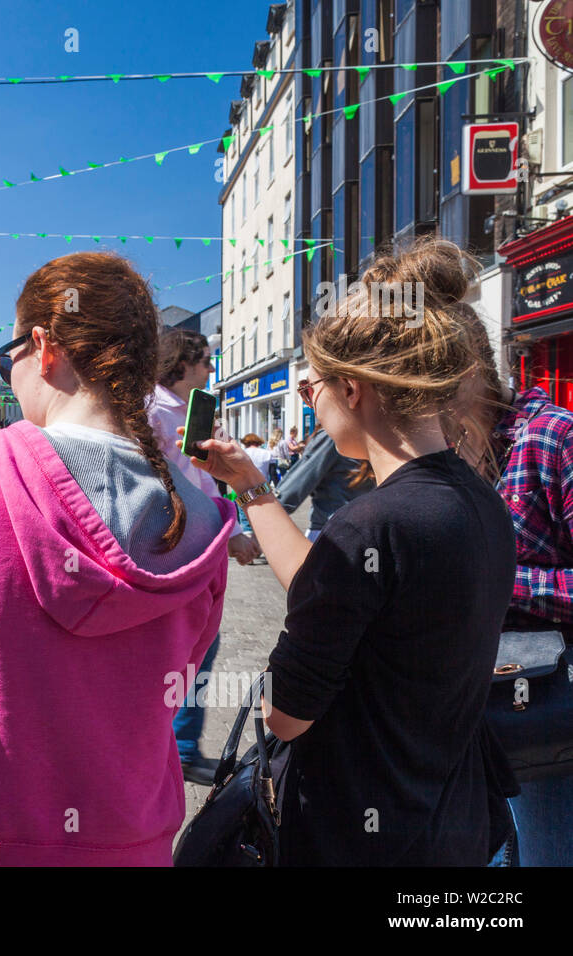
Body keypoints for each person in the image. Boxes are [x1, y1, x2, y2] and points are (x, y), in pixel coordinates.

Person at [0, 252, 239, 865]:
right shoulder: (206, 521)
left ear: (45, 346)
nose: (9, 375)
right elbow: (176, 678)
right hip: (134, 844)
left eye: (10, 358)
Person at [191, 239, 517, 865]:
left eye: (311, 388)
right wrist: (252, 488)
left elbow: (285, 715)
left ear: (352, 388)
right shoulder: (479, 504)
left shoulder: (368, 525)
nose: (310, 403)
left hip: (354, 832)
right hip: (451, 827)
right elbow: (345, 590)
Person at [451, 310, 573, 867]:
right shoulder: (438, 454)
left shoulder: (552, 438)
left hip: (549, 717)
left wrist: (499, 577)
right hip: (468, 709)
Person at [151, 328, 260, 784]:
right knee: (188, 651)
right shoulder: (153, 412)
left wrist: (232, 526)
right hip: (175, 550)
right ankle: (173, 750)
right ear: (181, 363)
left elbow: (206, 482)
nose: (212, 369)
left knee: (200, 649)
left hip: (200, 546)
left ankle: (178, 748)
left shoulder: (189, 413)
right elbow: (165, 486)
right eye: (205, 362)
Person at [272, 427, 373, 541]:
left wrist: (265, 517)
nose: (311, 407)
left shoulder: (332, 435)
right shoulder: (375, 434)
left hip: (330, 531)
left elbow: (292, 488)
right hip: (365, 531)